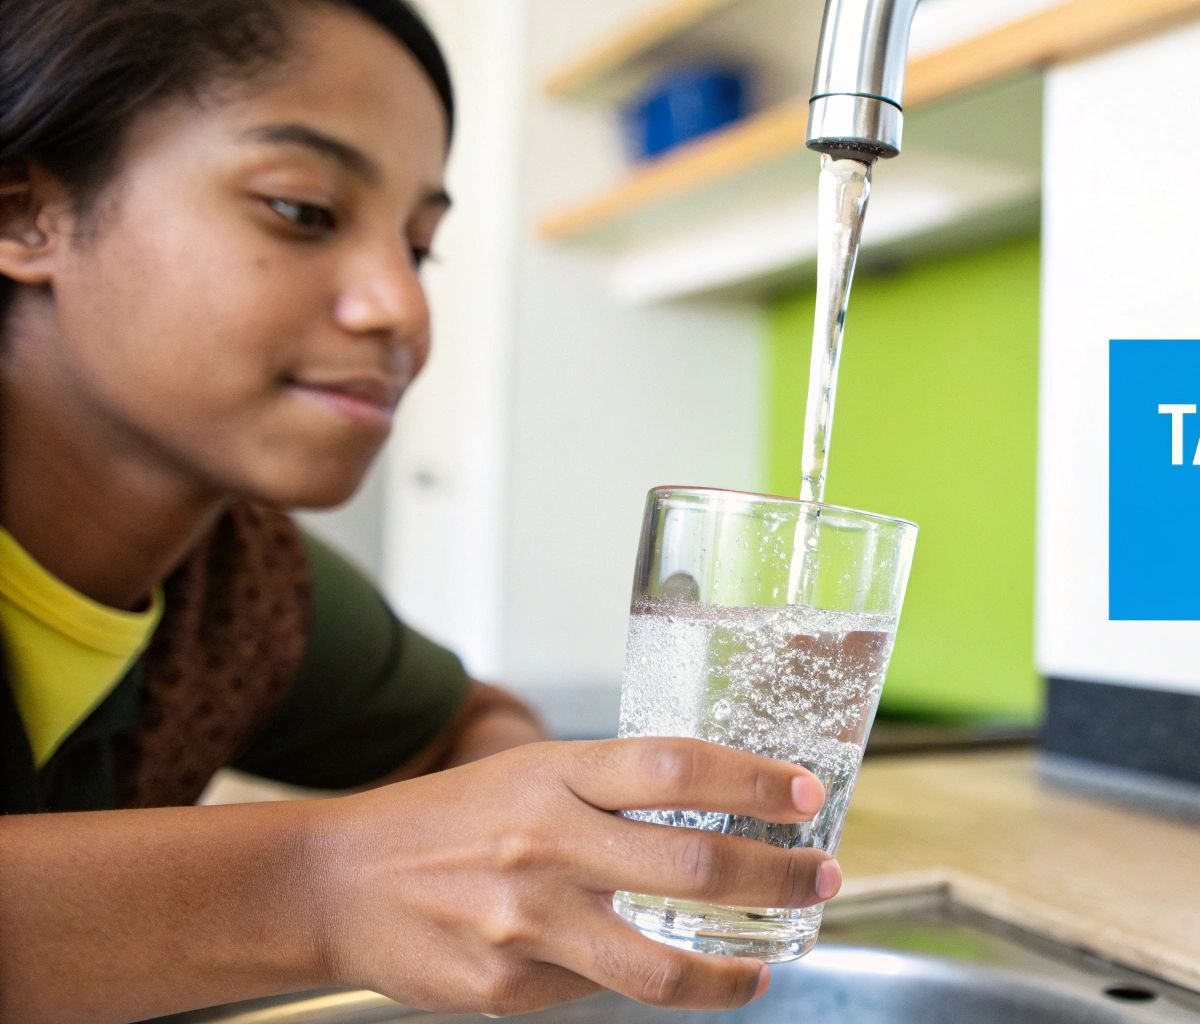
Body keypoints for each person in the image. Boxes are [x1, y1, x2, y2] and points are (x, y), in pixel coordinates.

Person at [0, 2, 841, 1019]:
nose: (400, 307)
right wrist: (321, 884)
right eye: (302, 209)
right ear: (23, 212)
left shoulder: (241, 587)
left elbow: (469, 721)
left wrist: (534, 840)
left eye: (419, 246)